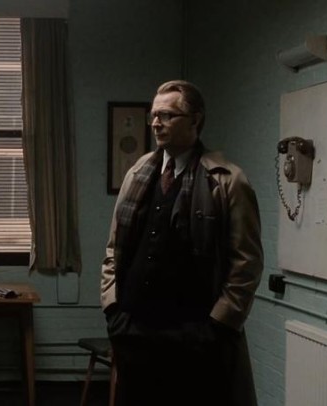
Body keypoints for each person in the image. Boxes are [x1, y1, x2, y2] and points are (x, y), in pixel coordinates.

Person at [100, 80, 262, 405]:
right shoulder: (139, 173)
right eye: (154, 115)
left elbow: (246, 265)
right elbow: (114, 248)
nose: (156, 123)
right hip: (135, 332)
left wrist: (216, 328)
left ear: (195, 120)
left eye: (167, 115)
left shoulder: (226, 181)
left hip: (194, 337)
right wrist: (113, 309)